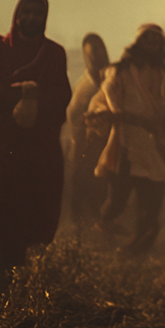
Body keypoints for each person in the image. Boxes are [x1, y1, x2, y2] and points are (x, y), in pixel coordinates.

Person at [0, 0, 71, 283]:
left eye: (38, 13)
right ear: (18, 15)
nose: (32, 18)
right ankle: (2, 267)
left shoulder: (53, 53)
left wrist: (37, 97)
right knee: (0, 201)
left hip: (38, 143)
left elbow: (62, 95)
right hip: (2, 142)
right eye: (27, 12)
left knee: (34, 201)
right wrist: (10, 95)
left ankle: (22, 267)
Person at [88, 24, 165, 258]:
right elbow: (110, 99)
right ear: (138, 43)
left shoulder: (163, 74)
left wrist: (161, 132)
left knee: (153, 194)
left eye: (155, 40)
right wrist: (125, 117)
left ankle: (138, 246)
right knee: (117, 199)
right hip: (126, 141)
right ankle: (103, 237)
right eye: (146, 39)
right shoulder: (121, 71)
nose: (150, 43)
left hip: (151, 143)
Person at [66, 33, 110, 226]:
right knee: (81, 183)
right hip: (84, 142)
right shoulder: (83, 87)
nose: (98, 57)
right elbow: (74, 115)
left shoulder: (111, 77)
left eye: (101, 52)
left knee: (103, 184)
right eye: (93, 55)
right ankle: (79, 224)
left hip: (107, 140)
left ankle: (98, 220)